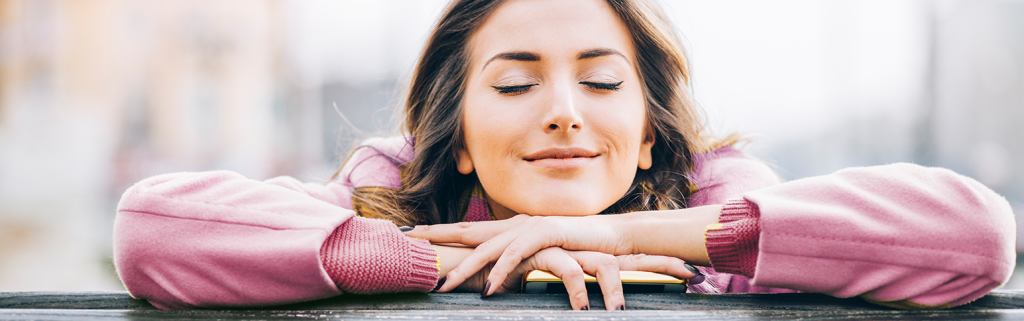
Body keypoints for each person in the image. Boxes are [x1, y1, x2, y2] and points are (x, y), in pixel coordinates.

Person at [112, 0, 1015, 311]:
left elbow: (974, 237)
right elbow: (151, 230)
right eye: (513, 85)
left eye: (600, 81)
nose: (562, 114)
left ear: (653, 127)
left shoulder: (720, 197)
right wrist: (440, 262)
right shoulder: (387, 192)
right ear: (455, 140)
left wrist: (622, 242)